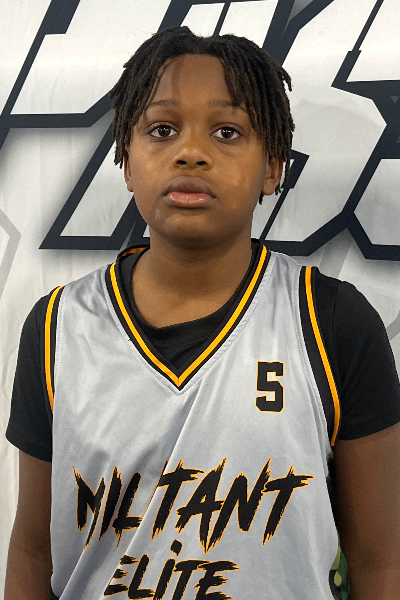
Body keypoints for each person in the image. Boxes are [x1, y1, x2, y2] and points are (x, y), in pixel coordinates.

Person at [4, 26, 400, 600]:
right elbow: (32, 549)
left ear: (272, 167)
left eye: (227, 131)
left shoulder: (333, 322)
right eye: (162, 130)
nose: (191, 152)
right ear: (127, 161)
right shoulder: (57, 327)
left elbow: (379, 559)